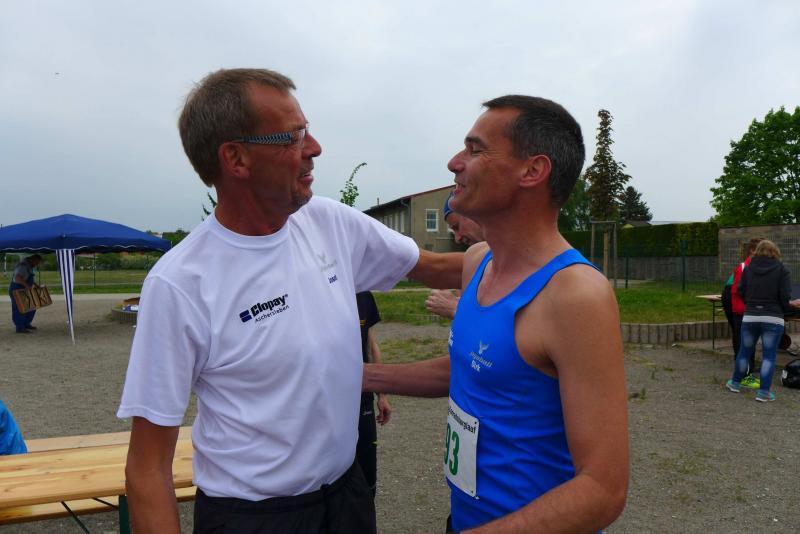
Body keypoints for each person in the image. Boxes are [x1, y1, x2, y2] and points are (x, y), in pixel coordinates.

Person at [116, 68, 462, 534]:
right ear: (236, 158)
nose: (314, 147)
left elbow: (439, 267)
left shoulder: (329, 222)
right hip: (254, 518)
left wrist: (541, 262)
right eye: (294, 136)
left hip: (347, 496)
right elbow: (147, 468)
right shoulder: (181, 282)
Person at [365, 95, 629, 532]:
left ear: (532, 170)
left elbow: (603, 490)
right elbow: (471, 369)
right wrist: (362, 377)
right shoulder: (478, 262)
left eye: (475, 150)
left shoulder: (575, 295)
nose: (454, 163)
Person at [726, 240, 800, 402]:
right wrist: (791, 307)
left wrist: (751, 305)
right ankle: (764, 392)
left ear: (757, 251)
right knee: (768, 356)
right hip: (773, 318)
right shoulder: (782, 270)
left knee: (744, 351)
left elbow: (740, 291)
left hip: (750, 316)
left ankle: (735, 383)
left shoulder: (748, 269)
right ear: (775, 252)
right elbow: (784, 297)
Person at [426, 192, 485, 320]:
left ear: (474, 214)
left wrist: (455, 309)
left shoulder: (512, 259)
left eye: (457, 227)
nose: (457, 239)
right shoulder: (481, 262)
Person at [355, 291, 391, 497]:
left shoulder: (364, 296)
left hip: (363, 397)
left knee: (367, 464)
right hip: (331, 400)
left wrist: (382, 395)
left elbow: (371, 347)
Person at [726, 237, 764, 388]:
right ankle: (743, 376)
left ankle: (745, 373)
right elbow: (737, 291)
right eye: (762, 250)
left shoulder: (759, 266)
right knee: (743, 341)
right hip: (741, 309)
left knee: (749, 341)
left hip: (750, 309)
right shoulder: (743, 267)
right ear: (752, 251)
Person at [8, 254, 41, 334]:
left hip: (23, 289)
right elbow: (18, 278)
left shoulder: (29, 266)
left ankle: (26, 324)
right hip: (17, 288)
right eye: (36, 263)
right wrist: (27, 286)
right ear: (32, 260)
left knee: (32, 306)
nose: (37, 265)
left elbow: (27, 277)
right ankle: (20, 327)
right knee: (20, 308)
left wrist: (36, 285)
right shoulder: (22, 266)